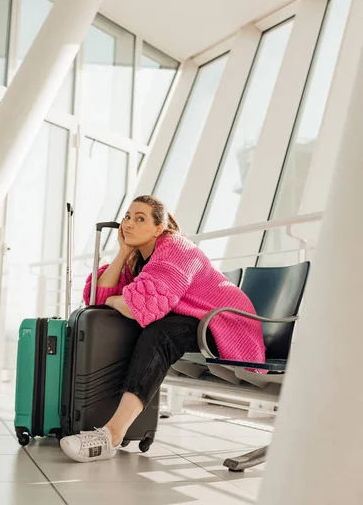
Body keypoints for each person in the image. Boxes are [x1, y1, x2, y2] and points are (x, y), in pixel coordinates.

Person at [60, 195, 265, 463]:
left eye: (140, 218)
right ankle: (110, 424)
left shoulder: (176, 249)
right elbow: (96, 297)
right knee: (150, 327)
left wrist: (112, 300)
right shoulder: (136, 257)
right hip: (196, 322)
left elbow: (134, 307)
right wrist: (121, 254)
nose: (129, 224)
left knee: (161, 331)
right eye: (128, 217)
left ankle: (111, 435)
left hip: (227, 324)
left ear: (160, 228)